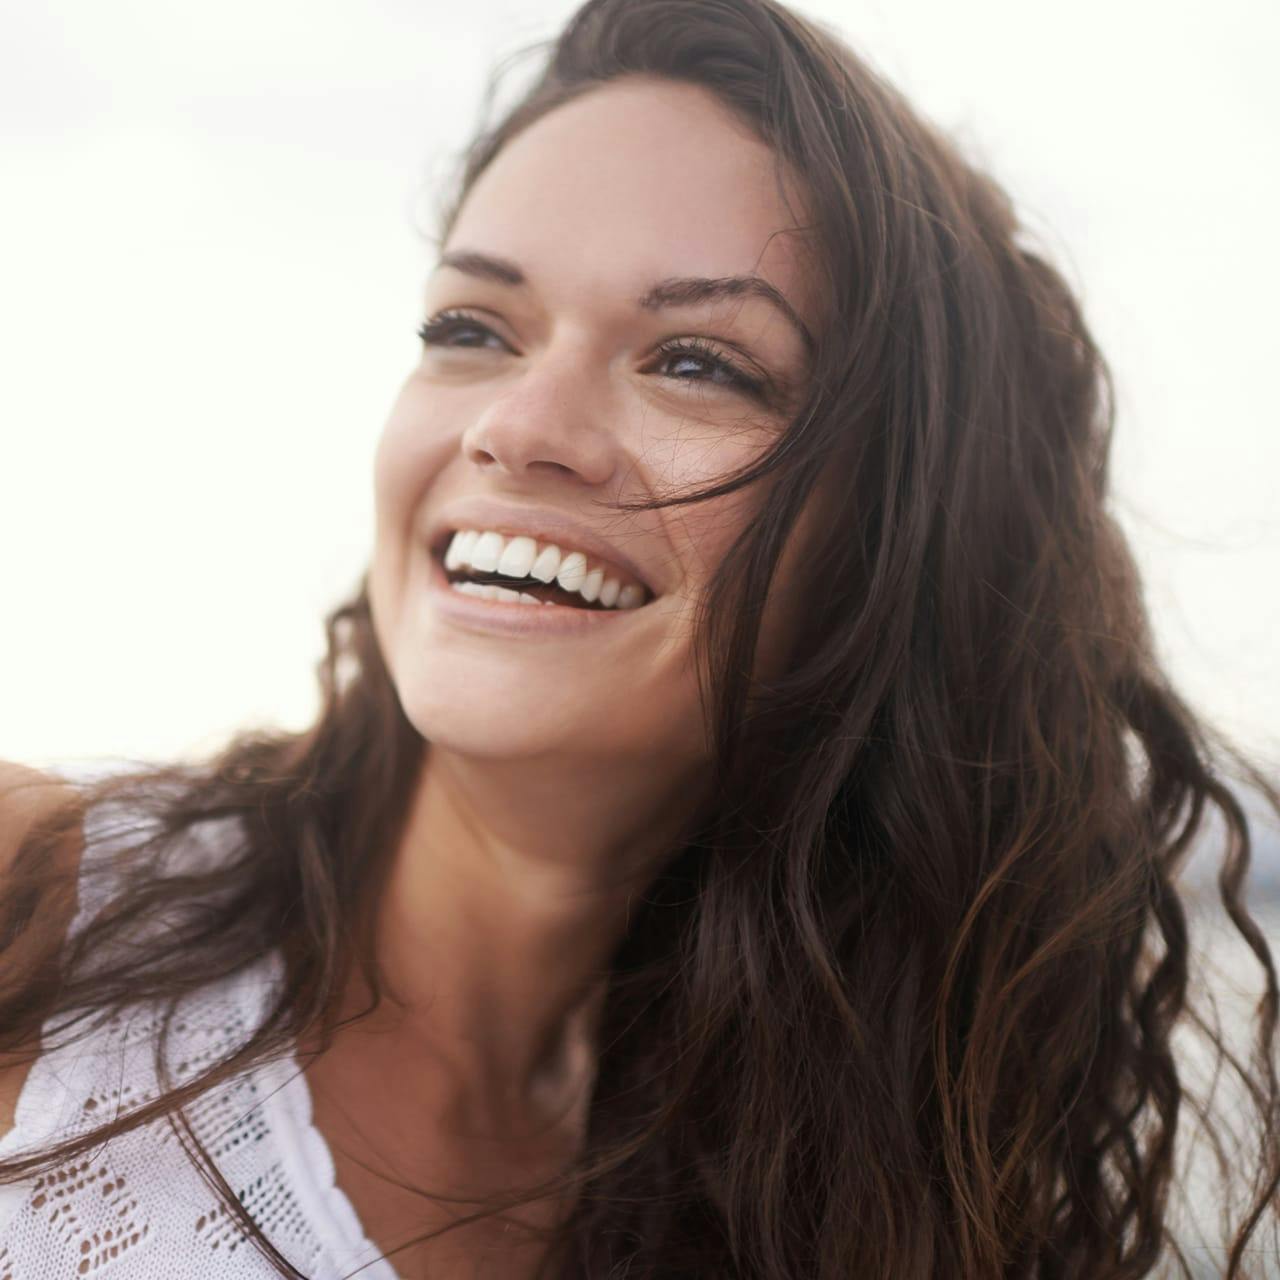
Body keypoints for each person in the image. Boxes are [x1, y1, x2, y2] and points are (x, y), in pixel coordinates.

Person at [1, 0, 1277, 1275]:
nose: (518, 422)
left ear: (890, 538)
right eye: (471, 328)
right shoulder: (37, 911)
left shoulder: (844, 1201)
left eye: (697, 362)